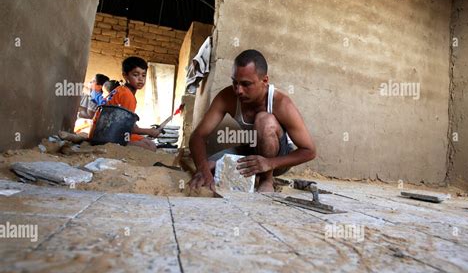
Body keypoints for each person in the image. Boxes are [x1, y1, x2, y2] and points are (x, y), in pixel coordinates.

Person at [189, 49, 316, 192]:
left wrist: (269, 163)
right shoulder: (227, 97)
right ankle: (251, 175)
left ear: (265, 80)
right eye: (234, 82)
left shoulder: (281, 103)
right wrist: (202, 169)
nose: (238, 90)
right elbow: (198, 136)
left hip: (277, 160)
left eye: (246, 84)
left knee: (264, 120)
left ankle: (266, 180)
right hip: (250, 150)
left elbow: (309, 151)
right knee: (210, 165)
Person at [90, 57, 160, 151]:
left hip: (97, 132)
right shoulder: (127, 95)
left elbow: (127, 123)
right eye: (135, 75)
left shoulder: (121, 90)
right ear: (125, 75)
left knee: (146, 141)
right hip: (105, 135)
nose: (140, 79)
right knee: (150, 146)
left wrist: (143, 132)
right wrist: (150, 131)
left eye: (143, 75)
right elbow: (124, 126)